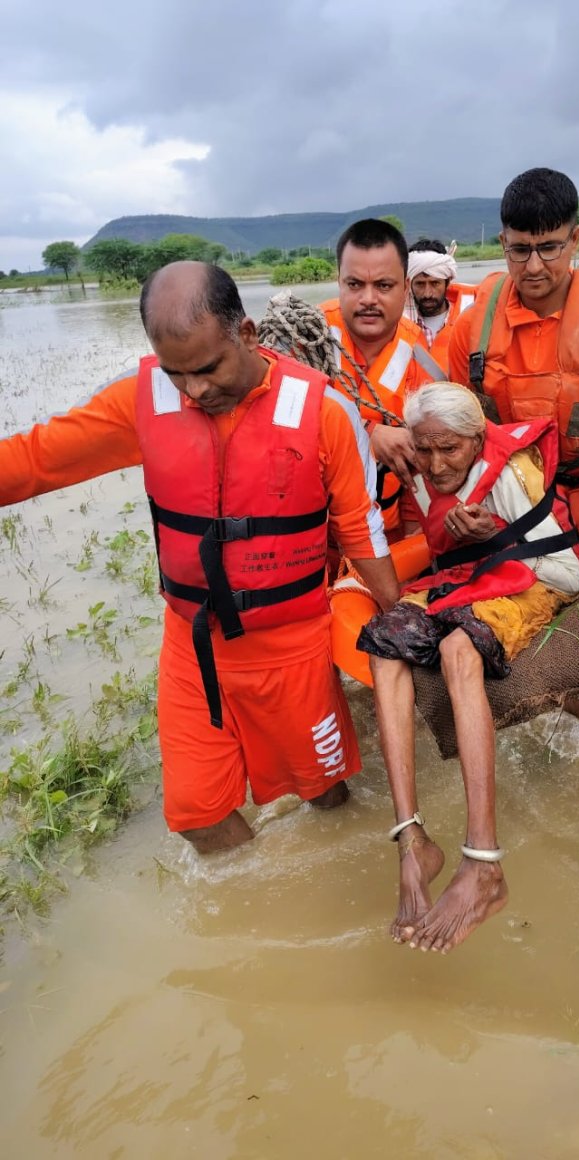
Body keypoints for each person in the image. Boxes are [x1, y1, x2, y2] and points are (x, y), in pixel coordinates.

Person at [0, 261, 400, 855]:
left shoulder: (324, 413)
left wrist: (401, 618)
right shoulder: (141, 401)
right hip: (193, 648)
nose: (195, 390)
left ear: (247, 333)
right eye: (176, 372)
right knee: (196, 816)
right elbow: (36, 459)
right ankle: (261, 910)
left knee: (327, 798)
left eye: (208, 368)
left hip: (292, 650)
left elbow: (360, 530)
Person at [359, 383, 579, 952]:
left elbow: (567, 572)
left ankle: (483, 861)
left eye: (452, 451)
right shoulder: (416, 457)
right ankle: (411, 840)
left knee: (458, 648)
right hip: (459, 582)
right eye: (426, 449)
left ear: (478, 439)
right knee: (383, 644)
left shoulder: (509, 475)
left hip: (533, 578)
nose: (436, 465)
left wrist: (500, 540)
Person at [448, 167, 579, 543]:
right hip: (506, 502)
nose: (534, 267)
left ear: (575, 239)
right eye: (520, 249)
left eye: (549, 248)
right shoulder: (470, 328)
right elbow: (455, 438)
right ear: (502, 241)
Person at [320, 219, 444, 529]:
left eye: (383, 286)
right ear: (339, 283)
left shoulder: (426, 368)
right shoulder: (304, 341)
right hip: (312, 539)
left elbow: (429, 476)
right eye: (355, 284)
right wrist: (370, 434)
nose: (368, 299)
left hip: (385, 536)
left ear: (405, 288)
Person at [405, 238, 477, 367]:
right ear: (409, 284)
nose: (427, 293)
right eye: (420, 284)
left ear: (447, 282)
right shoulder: (396, 324)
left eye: (435, 283)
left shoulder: (473, 317)